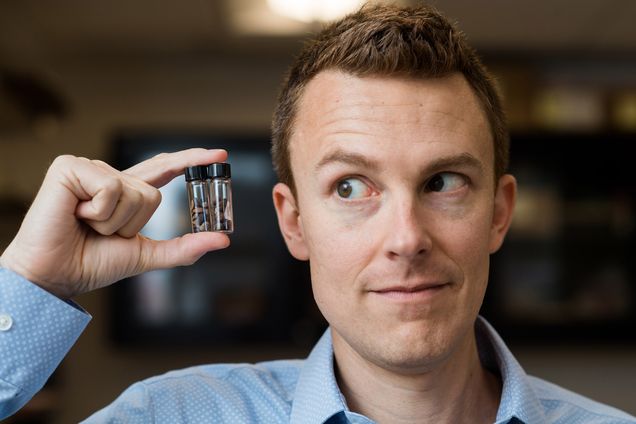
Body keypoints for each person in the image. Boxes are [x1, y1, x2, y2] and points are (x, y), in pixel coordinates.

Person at [0, 4, 634, 423]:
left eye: (443, 182)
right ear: (293, 222)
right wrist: (32, 282)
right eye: (351, 187)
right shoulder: (170, 415)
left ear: (499, 214)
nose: (406, 239)